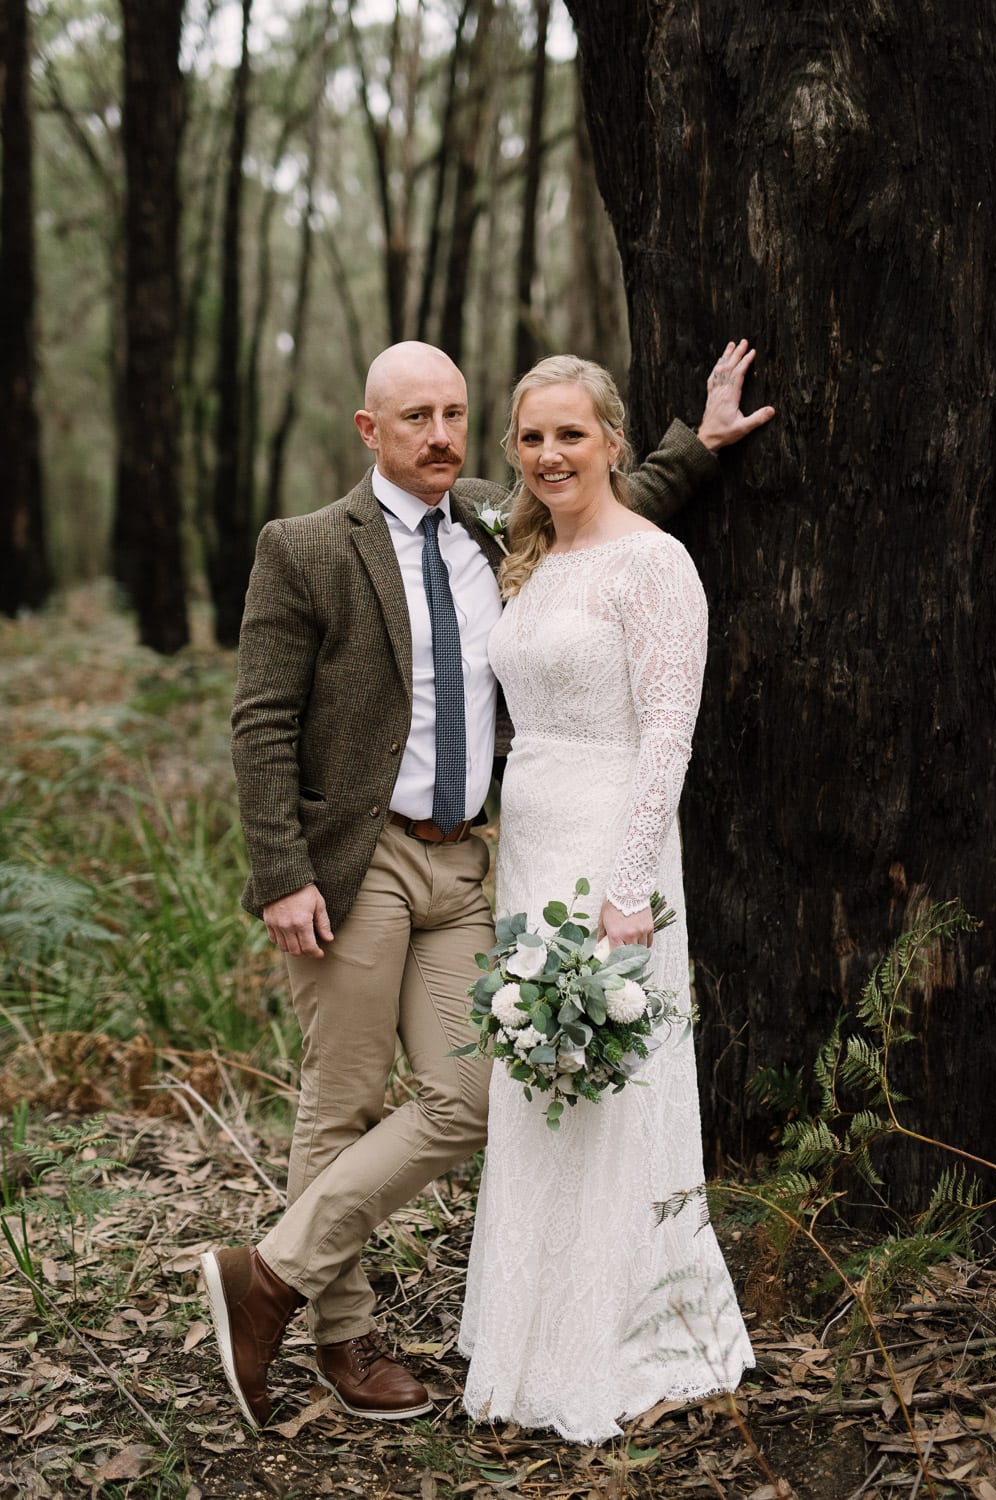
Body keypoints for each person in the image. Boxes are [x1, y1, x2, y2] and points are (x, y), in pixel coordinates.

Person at [200, 339, 772, 1432]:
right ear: (370, 429)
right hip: (355, 861)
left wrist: (695, 441)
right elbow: (261, 719)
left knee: (473, 1094)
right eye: (414, 416)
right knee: (344, 1095)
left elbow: (604, 496)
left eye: (456, 414)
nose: (439, 435)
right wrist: (280, 873)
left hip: (474, 862)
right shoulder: (309, 547)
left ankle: (266, 1271)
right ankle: (338, 1329)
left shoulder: (491, 527)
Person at [459, 355, 763, 1443]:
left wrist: (630, 886)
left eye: (571, 437)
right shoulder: (525, 553)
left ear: (613, 443)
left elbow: (667, 730)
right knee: (540, 1074)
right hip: (529, 843)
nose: (548, 455)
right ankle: (528, 1331)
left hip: (610, 849)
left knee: (616, 1077)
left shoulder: (655, 564)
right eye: (531, 438)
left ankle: (632, 1334)